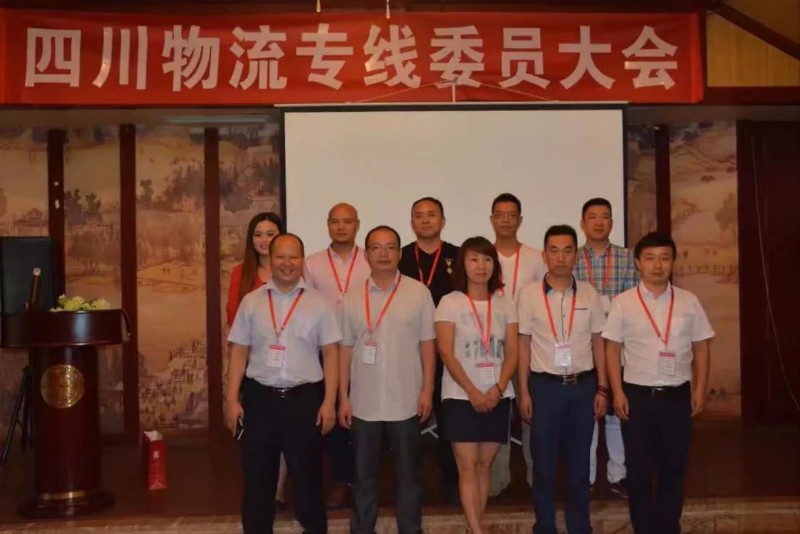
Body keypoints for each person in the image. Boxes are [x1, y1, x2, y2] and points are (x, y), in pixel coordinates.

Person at [226, 233, 341, 534]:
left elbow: (331, 353)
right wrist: (232, 400)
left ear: (302, 260)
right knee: (257, 480)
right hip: (260, 399)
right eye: (280, 257)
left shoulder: (319, 303)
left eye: (293, 257)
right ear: (270, 259)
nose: (287, 263)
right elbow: (238, 351)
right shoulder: (252, 302)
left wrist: (329, 402)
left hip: (304, 401)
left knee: (307, 479)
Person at [602, 232, 713, 534]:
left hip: (677, 397)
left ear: (673, 262)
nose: (657, 265)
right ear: (638, 263)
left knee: (673, 469)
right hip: (637, 397)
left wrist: (700, 389)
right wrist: (617, 391)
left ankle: (668, 527)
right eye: (650, 258)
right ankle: (643, 528)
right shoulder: (624, 303)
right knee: (638, 471)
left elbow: (702, 346)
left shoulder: (689, 301)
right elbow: (612, 349)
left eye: (664, 258)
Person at [339, 225, 436, 534]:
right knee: (363, 477)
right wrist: (343, 396)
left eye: (390, 247)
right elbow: (344, 350)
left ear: (399, 253)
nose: (383, 253)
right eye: (376, 248)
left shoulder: (418, 293)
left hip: (406, 400)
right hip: (363, 402)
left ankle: (411, 529)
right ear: (366, 254)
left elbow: (428, 345)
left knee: (409, 476)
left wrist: (428, 390)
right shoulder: (352, 298)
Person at [517, 225, 608, 534]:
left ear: (575, 255)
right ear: (544, 255)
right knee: (543, 466)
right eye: (554, 251)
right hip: (544, 388)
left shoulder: (589, 294)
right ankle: (545, 526)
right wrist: (524, 391)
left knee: (579, 466)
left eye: (567, 250)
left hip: (582, 387)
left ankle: (579, 527)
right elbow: (523, 344)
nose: (561, 257)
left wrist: (602, 388)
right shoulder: (528, 295)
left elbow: (598, 342)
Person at [434, 236, 518, 534]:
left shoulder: (505, 304)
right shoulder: (450, 302)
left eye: (486, 259)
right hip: (460, 397)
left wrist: (498, 388)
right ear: (463, 265)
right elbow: (446, 352)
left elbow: (512, 352)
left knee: (484, 466)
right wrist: (472, 391)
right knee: (467, 467)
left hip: (498, 395)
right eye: (474, 259)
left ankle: (475, 526)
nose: (481, 266)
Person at [304, 202, 370, 508]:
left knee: (363, 417)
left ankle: (364, 480)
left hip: (364, 350)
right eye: (335, 221)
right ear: (328, 225)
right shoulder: (312, 264)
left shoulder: (370, 259)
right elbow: (305, 305)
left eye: (347, 221)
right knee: (332, 419)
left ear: (357, 224)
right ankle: (339, 480)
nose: (341, 227)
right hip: (325, 351)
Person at [573, 197, 639, 497]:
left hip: (619, 348)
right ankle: (585, 477)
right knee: (587, 413)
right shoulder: (572, 258)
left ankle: (618, 474)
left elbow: (632, 302)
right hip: (582, 347)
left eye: (604, 217)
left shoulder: (628, 258)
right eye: (592, 217)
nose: (599, 222)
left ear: (612, 223)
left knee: (615, 412)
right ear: (583, 223)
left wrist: (604, 308)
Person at [398, 196, 461, 505]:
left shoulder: (458, 256)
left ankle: (452, 482)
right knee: (409, 420)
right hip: (409, 352)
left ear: (443, 221)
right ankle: (411, 483)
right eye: (419, 215)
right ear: (412, 222)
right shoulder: (399, 257)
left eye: (431, 215)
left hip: (450, 352)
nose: (425, 220)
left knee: (449, 418)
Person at [224, 211, 289, 510]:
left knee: (285, 433)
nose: (264, 240)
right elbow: (233, 319)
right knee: (258, 434)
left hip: (290, 364)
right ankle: (262, 489)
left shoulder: (291, 270)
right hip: (253, 364)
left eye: (270, 233)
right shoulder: (241, 273)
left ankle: (278, 491)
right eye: (258, 234)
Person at [488, 192, 546, 495]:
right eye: (500, 215)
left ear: (520, 220)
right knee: (497, 415)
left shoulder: (537, 258)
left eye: (511, 215)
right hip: (492, 348)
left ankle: (538, 479)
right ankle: (497, 480)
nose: (506, 220)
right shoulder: (483, 256)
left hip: (528, 346)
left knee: (531, 413)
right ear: (492, 219)